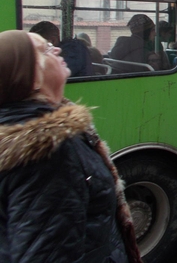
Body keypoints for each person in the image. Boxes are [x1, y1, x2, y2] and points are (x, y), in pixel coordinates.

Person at [0, 30, 142, 263]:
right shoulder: (46, 150)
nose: (57, 49)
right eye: (45, 49)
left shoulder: (26, 129)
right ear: (31, 78)